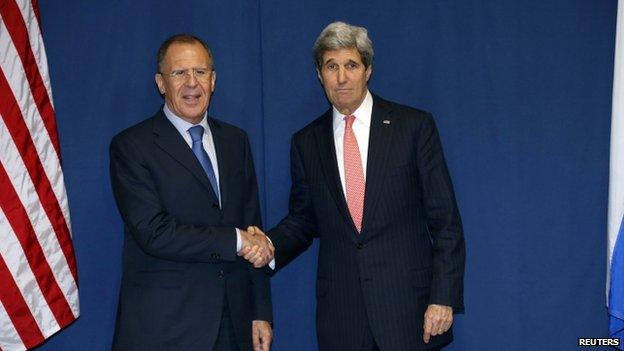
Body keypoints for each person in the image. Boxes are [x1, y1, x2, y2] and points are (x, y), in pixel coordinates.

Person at [242, 22, 465, 350]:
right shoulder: (307, 142)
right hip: (343, 318)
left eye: (351, 65)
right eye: (331, 66)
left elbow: (446, 223)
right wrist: (270, 244)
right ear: (320, 74)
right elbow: (304, 221)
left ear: (368, 70)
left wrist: (443, 297)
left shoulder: (413, 127)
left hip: (410, 311)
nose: (341, 77)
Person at [110, 34, 274, 351]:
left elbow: (254, 225)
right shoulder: (132, 146)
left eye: (200, 72)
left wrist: (260, 312)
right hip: (166, 328)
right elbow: (154, 232)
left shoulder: (235, 141)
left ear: (213, 80)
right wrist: (238, 240)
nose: (191, 83)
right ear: (161, 83)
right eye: (179, 73)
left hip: (234, 326)